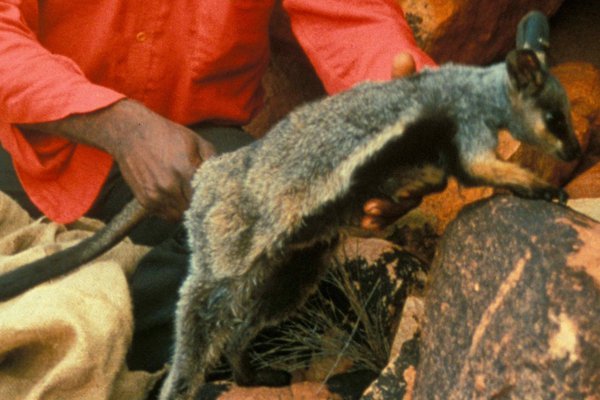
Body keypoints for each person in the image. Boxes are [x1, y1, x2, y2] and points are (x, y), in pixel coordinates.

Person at [0, 0, 436, 374]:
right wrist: (123, 128)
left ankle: (81, 344)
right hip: (23, 136)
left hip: (193, 148)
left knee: (279, 240)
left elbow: (354, 19)